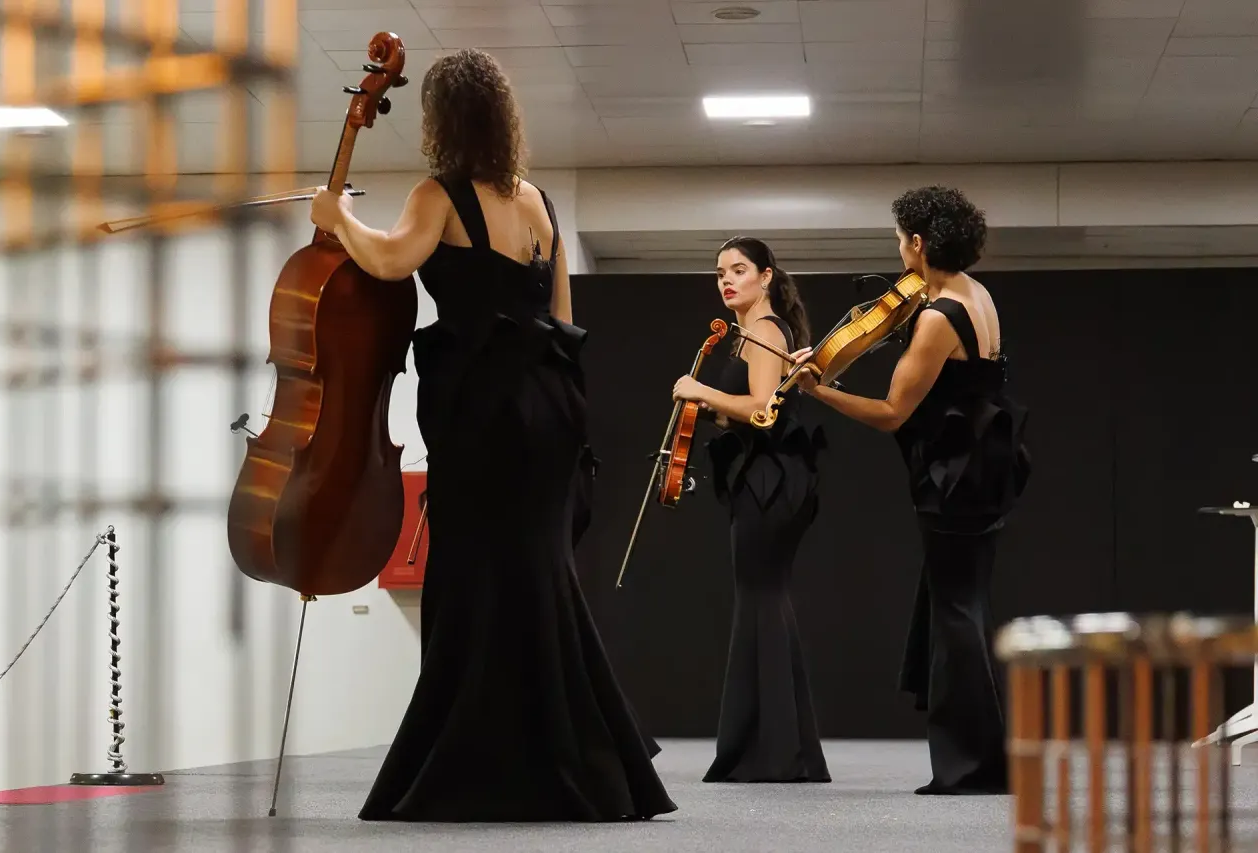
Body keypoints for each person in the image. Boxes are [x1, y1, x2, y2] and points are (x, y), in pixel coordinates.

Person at [309, 48, 677, 823]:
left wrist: (337, 217)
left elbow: (390, 260)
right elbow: (564, 317)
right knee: (539, 572)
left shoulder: (437, 195)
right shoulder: (539, 203)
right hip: (550, 406)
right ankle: (575, 758)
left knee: (473, 577)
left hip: (481, 409)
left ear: (441, 120)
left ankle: (475, 763)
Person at [790, 186, 1030, 795]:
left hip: (953, 473)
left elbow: (892, 412)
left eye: (900, 239)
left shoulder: (937, 316)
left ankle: (969, 766)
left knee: (956, 614)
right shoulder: (977, 294)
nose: (898, 250)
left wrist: (819, 390)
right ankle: (982, 758)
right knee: (967, 608)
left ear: (919, 243)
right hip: (986, 461)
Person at [669, 237, 830, 784]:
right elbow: (745, 412)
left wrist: (699, 390)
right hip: (765, 477)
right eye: (720, 273)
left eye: (738, 270)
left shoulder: (764, 330)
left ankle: (774, 753)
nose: (726, 281)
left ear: (766, 277)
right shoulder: (747, 336)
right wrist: (707, 408)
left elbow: (762, 410)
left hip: (770, 480)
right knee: (765, 601)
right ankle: (782, 749)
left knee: (761, 600)